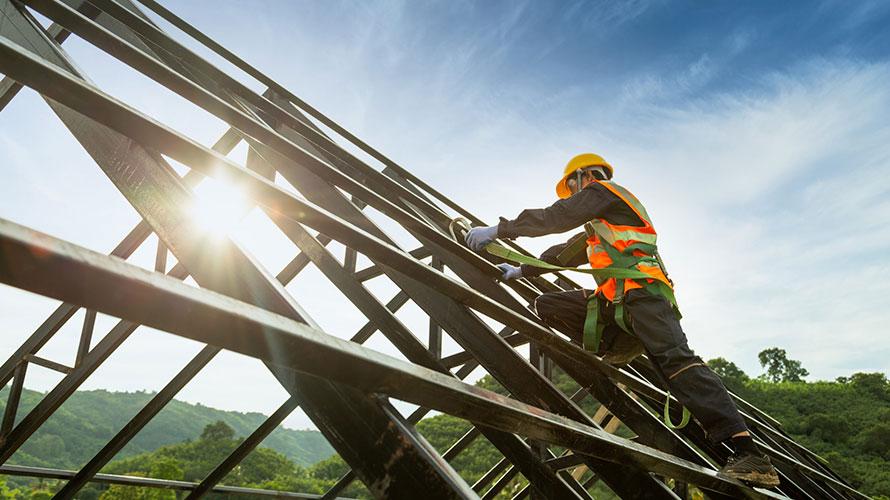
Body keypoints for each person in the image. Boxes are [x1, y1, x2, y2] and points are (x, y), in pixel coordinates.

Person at [465, 153, 780, 488]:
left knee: (678, 364)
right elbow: (562, 253)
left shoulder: (606, 192)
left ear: (585, 176)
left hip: (645, 297)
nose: (571, 195)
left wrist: (502, 229)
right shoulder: (601, 223)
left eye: (571, 187)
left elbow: (557, 216)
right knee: (549, 304)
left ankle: (749, 453)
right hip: (619, 305)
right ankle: (617, 343)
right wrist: (520, 270)